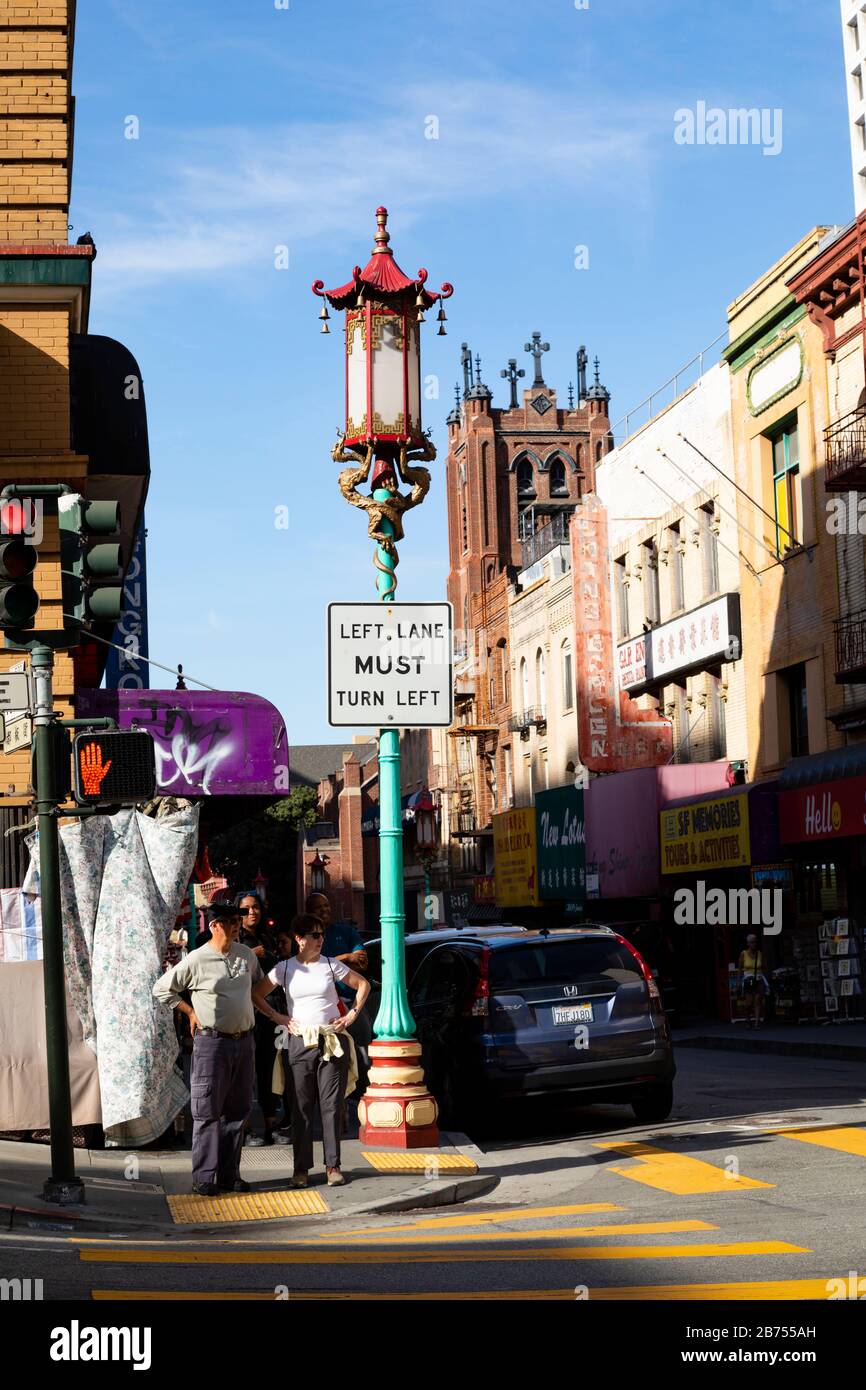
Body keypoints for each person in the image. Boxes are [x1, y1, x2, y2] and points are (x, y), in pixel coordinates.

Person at [152, 901, 283, 1196]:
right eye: (230, 922)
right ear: (214, 926)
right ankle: (205, 1175)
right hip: (212, 1042)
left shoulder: (246, 955)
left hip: (244, 1041)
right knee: (207, 1110)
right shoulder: (197, 960)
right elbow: (162, 988)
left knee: (238, 1110)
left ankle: (229, 1174)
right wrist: (189, 1011)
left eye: (237, 921)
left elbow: (259, 988)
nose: (237, 925)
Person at [253, 912, 370, 1188]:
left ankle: (333, 1167)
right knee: (300, 1108)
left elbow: (362, 984)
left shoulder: (331, 965)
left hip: (331, 1040)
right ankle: (301, 1169)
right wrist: (278, 1017)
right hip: (299, 1041)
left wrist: (351, 1015)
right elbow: (256, 993)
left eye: (321, 935)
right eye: (314, 935)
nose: (320, 939)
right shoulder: (284, 968)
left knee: (331, 1105)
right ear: (299, 939)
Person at [307, 893, 373, 1089]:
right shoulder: (307, 939)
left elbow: (362, 961)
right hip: (325, 1009)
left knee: (363, 1055)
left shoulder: (345, 931)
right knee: (332, 1059)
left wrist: (332, 962)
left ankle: (362, 1095)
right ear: (309, 912)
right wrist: (345, 957)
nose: (325, 910)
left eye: (327, 906)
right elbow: (312, 968)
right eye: (320, 907)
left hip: (353, 1003)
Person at [235, 890, 281, 1147]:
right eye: (246, 909)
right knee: (245, 1071)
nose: (252, 912)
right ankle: (245, 1127)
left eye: (256, 908)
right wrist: (252, 954)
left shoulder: (267, 937)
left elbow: (276, 971)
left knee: (267, 1068)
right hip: (242, 1013)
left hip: (267, 1012)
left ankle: (271, 1122)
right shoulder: (234, 940)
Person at [738, 933, 769, 1028]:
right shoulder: (743, 954)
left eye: (755, 942)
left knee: (757, 1001)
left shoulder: (760, 954)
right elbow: (740, 968)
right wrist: (739, 981)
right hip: (748, 979)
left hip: (759, 979)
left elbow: (764, 967)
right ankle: (747, 1019)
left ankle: (756, 1023)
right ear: (748, 943)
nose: (754, 944)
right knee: (749, 1003)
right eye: (751, 942)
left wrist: (765, 980)